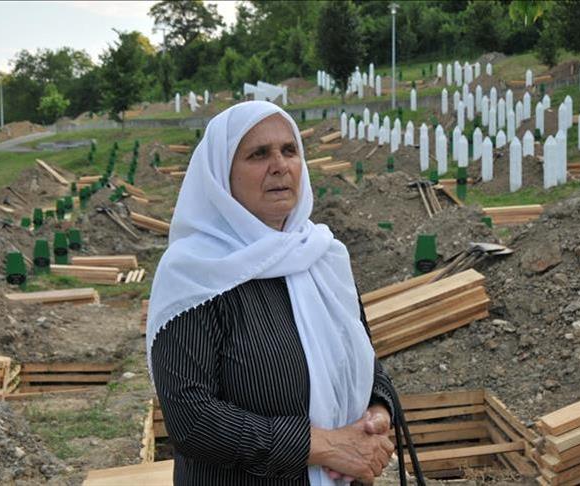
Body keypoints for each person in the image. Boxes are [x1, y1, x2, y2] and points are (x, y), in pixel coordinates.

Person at [146, 101, 410, 485]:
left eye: (290, 151)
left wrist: (377, 412)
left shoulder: (322, 255)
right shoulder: (193, 274)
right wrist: (322, 446)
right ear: (221, 176)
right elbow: (192, 419)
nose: (280, 165)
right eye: (258, 154)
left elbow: (362, 359)